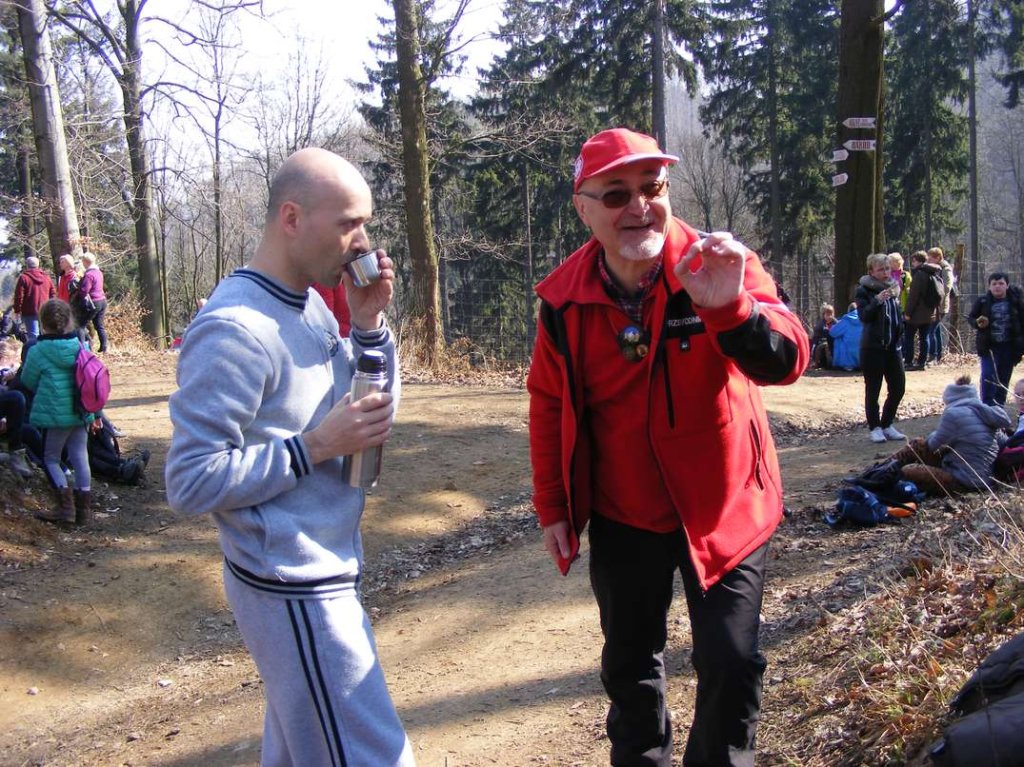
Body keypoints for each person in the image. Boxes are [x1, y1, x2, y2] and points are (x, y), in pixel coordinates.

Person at [527, 128, 809, 767]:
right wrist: (553, 506)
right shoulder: (563, 302)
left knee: (731, 663)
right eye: (616, 194)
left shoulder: (718, 264)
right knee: (629, 668)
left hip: (724, 505)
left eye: (652, 188)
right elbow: (548, 403)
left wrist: (732, 310)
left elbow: (789, 358)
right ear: (583, 209)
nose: (639, 207)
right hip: (625, 510)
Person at [165, 147, 413, 767]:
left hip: (323, 569)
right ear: (292, 219)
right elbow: (189, 480)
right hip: (293, 585)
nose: (363, 243)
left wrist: (368, 326)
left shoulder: (308, 303)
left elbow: (369, 415)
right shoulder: (234, 330)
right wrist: (315, 446)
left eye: (365, 224)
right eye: (348, 224)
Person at [19, 299, 94, 524]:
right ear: (69, 320)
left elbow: (27, 380)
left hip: (54, 414)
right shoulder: (79, 346)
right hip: (80, 411)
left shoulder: (38, 350)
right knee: (80, 456)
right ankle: (84, 509)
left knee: (51, 459)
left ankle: (65, 508)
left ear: (43, 323)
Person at [891, 374, 1011, 495]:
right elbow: (1004, 442)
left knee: (908, 470)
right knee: (917, 444)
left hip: (964, 482)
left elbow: (932, 446)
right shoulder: (986, 413)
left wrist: (937, 434)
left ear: (950, 397)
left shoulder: (953, 415)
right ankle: (884, 469)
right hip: (985, 479)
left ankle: (884, 472)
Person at [856, 253, 907, 443]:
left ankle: (887, 424)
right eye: (880, 270)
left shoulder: (894, 288)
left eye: (887, 269)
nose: (885, 273)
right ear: (871, 272)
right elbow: (864, 316)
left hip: (893, 348)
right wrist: (876, 301)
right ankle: (875, 427)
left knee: (898, 388)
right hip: (872, 348)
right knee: (873, 389)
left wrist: (901, 333)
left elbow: (897, 316)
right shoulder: (863, 290)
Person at [967, 271, 1024, 406]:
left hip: (1009, 347)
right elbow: (971, 318)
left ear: (1007, 285)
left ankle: (999, 406)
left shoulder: (1016, 302)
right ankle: (987, 406)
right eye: (994, 284)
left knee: (1003, 378)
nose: (997, 286)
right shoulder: (983, 301)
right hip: (989, 347)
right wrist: (977, 323)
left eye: (1001, 283)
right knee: (988, 375)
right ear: (989, 286)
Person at [903, 251, 942, 369]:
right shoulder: (934, 273)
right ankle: (922, 362)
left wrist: (908, 313)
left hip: (916, 313)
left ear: (919, 261)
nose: (912, 263)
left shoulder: (919, 275)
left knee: (909, 337)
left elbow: (913, 296)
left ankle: (908, 361)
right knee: (924, 338)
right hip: (930, 312)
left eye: (914, 261)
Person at [13, 255, 56, 346]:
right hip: (45, 310)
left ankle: (36, 353)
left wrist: (17, 310)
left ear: (27, 265)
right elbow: (53, 293)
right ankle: (48, 352)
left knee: (33, 336)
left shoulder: (24, 278)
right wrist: (52, 307)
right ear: (38, 265)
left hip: (30, 311)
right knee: (46, 334)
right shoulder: (46, 277)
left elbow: (19, 296)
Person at [76, 252, 108, 352]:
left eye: (83, 262)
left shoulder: (89, 275)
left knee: (80, 325)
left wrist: (78, 293)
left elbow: (84, 290)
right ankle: (104, 347)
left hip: (93, 302)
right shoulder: (99, 272)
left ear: (86, 262)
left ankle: (82, 349)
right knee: (99, 325)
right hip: (102, 301)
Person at [928, 247, 955, 364]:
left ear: (938, 257)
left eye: (931, 258)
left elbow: (947, 287)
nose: (928, 261)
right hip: (934, 305)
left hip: (941, 305)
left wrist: (934, 294)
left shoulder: (945, 269)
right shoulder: (934, 268)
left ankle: (933, 356)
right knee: (936, 330)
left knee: (931, 331)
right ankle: (938, 355)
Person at [829, 302, 863, 371]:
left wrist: (834, 325)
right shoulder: (865, 319)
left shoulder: (846, 320)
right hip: (863, 351)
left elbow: (833, 333)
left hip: (849, 354)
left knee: (839, 338)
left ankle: (847, 364)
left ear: (849, 310)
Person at [810, 303, 836, 369]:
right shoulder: (820, 324)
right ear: (824, 315)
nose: (829, 316)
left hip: (833, 341)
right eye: (827, 314)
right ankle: (817, 363)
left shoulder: (835, 322)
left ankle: (833, 362)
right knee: (821, 347)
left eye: (831, 314)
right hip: (821, 341)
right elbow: (816, 335)